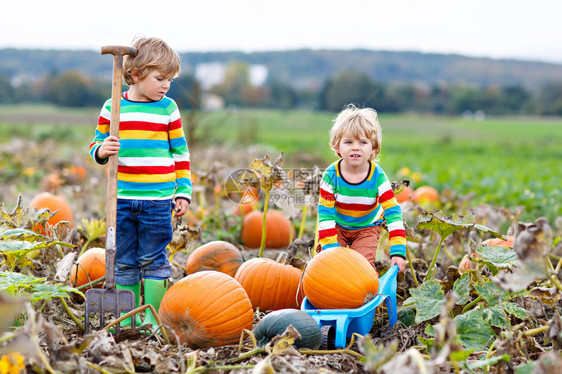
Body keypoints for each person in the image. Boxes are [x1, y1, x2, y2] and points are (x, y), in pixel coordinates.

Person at [88, 37, 191, 329]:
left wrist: (183, 191)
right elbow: (96, 143)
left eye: (170, 80)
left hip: (158, 200)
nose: (166, 85)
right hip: (120, 198)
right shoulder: (113, 107)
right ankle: (130, 315)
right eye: (160, 78)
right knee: (124, 259)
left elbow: (180, 153)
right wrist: (101, 150)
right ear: (135, 75)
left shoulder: (168, 109)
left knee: (154, 257)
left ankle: (153, 316)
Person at [317, 104, 406, 273]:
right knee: (328, 268)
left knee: (362, 269)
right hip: (337, 226)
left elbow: (393, 213)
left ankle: (362, 296)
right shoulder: (331, 175)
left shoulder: (378, 177)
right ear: (337, 147)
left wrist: (398, 252)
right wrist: (331, 250)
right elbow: (325, 213)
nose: (355, 147)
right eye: (348, 142)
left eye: (363, 142)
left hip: (366, 228)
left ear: (373, 148)